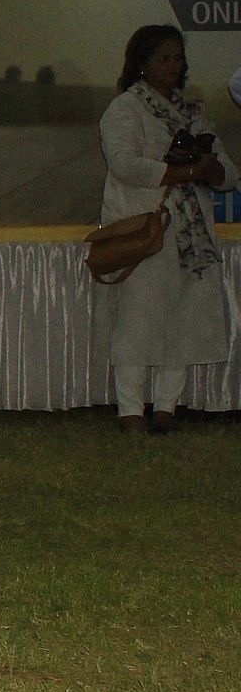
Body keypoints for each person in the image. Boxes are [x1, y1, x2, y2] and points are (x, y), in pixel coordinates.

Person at [98, 26, 236, 434]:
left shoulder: (194, 114)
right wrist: (182, 171)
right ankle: (130, 410)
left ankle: (166, 408)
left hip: (192, 236)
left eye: (177, 58)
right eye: (163, 58)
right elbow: (124, 164)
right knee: (138, 320)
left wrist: (211, 169)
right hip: (146, 229)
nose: (172, 65)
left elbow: (229, 175)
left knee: (184, 320)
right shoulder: (125, 109)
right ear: (141, 64)